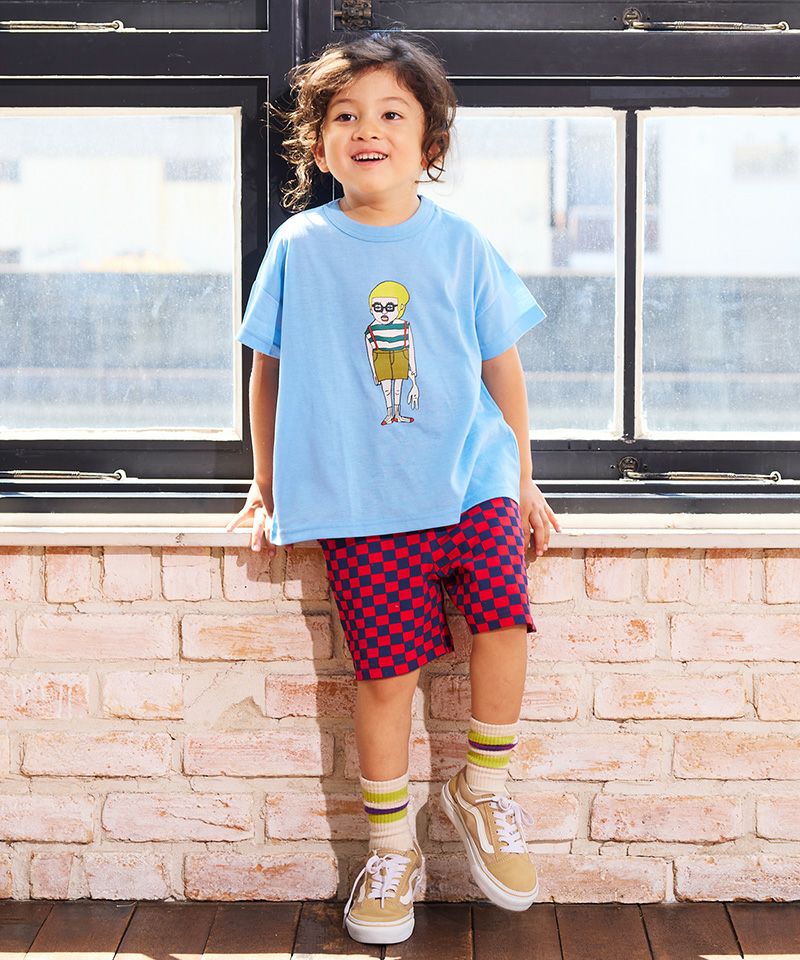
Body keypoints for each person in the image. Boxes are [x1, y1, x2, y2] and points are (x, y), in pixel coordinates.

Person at [225, 30, 561, 946]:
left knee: (504, 622)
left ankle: (481, 787)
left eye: (390, 114)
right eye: (345, 116)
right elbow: (268, 367)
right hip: (363, 503)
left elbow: (502, 366)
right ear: (318, 143)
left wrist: (523, 481)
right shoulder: (300, 245)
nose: (366, 129)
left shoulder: (461, 243)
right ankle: (390, 851)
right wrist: (264, 484)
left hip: (471, 478)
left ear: (429, 144)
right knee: (385, 679)